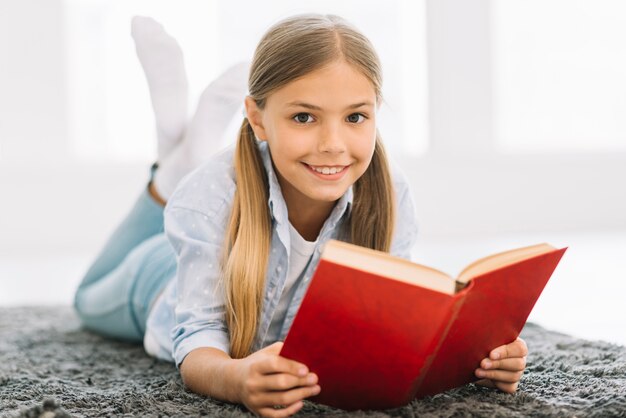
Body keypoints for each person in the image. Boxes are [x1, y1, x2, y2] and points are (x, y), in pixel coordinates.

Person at [74, 13, 528, 418]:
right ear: (257, 118)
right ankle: (171, 167)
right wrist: (236, 378)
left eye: (355, 117)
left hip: (200, 219)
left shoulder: (390, 192)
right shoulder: (211, 197)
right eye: (305, 118)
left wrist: (478, 357)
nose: (333, 143)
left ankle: (179, 154)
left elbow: (390, 324)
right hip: (156, 284)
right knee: (87, 298)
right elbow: (199, 336)